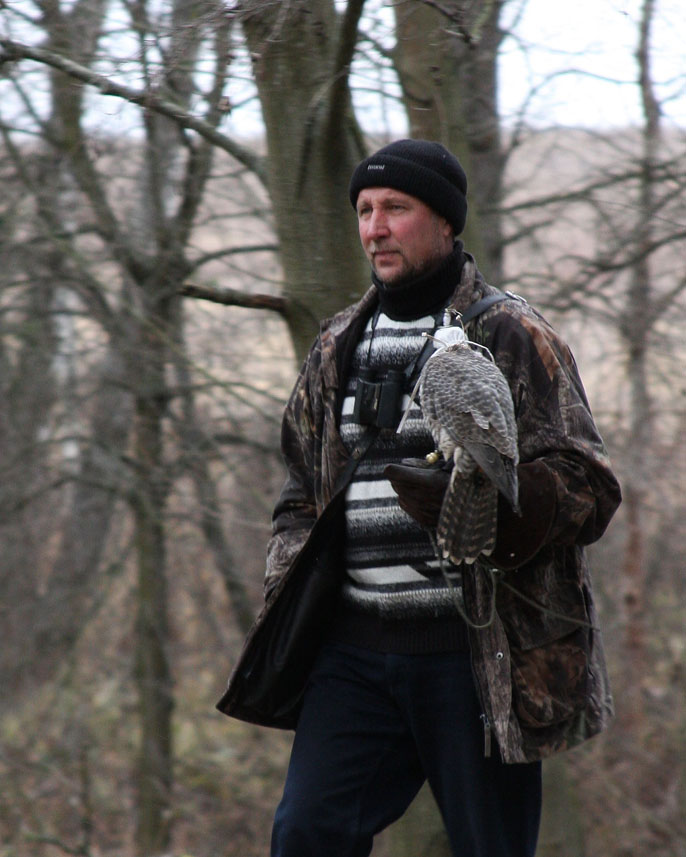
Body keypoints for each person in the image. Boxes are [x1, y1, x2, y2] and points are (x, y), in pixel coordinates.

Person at [261, 140, 621, 856]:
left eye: (396, 208)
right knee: (304, 833)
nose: (375, 228)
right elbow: (300, 490)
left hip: (475, 654)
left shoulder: (512, 334)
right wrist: (288, 588)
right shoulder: (337, 344)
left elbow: (590, 483)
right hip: (354, 655)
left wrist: (500, 505)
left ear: (446, 222)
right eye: (365, 210)